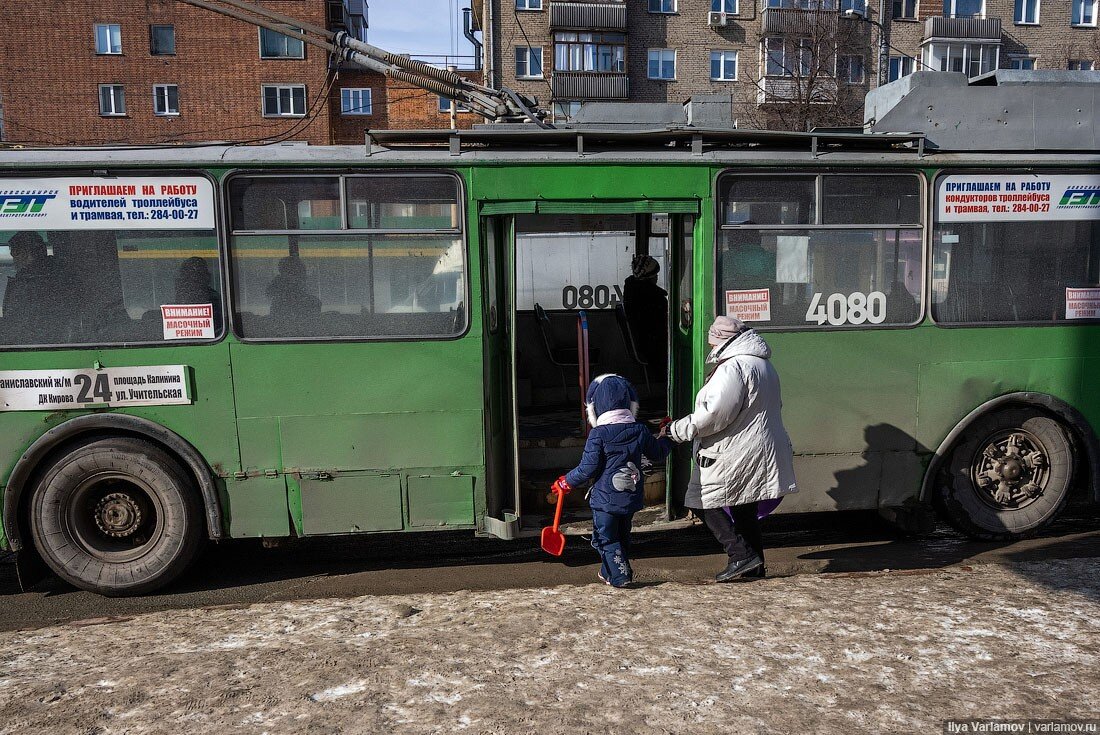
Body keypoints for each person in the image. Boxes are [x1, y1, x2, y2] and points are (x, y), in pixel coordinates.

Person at [667, 316, 797, 582]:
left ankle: (740, 554)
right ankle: (755, 565)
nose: (712, 350)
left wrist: (676, 430)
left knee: (700, 500)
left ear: (723, 342)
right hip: (759, 446)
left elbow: (714, 415)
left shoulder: (734, 367)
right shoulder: (762, 364)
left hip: (737, 450)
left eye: (713, 344)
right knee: (743, 507)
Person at [551, 374, 672, 588]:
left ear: (597, 407)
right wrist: (665, 435)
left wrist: (566, 482)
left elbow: (587, 468)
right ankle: (607, 572)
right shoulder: (640, 431)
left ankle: (620, 576)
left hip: (605, 500)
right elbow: (658, 453)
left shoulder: (598, 434)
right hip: (631, 497)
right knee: (622, 535)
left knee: (605, 538)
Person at [2, 231, 63, 342]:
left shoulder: (30, 282)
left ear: (26, 252)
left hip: (30, 344)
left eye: (15, 253)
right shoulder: (60, 275)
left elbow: (19, 321)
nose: (14, 259)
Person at [622, 254, 668, 377]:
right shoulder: (655, 300)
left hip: (644, 344)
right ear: (650, 277)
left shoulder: (631, 292)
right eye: (655, 275)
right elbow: (662, 327)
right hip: (653, 348)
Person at [174, 256, 222, 328]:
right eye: (190, 276)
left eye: (198, 275)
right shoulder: (181, 295)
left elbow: (218, 325)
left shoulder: (214, 298)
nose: (194, 279)